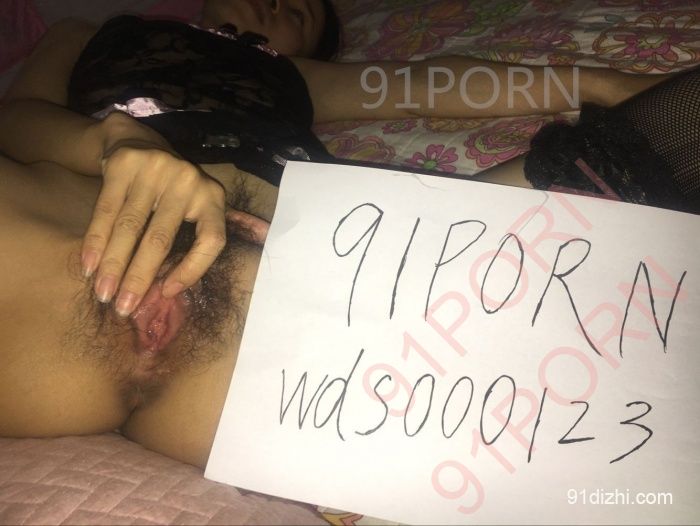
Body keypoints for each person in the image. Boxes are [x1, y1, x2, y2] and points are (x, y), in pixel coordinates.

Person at [0, 0, 673, 335]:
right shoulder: (89, 33)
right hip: (104, 210)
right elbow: (16, 116)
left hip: (318, 249)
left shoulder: (288, 74)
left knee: (637, 148)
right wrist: (115, 143)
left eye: (297, 11)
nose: (277, 1)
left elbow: (422, 86)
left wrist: (598, 84)